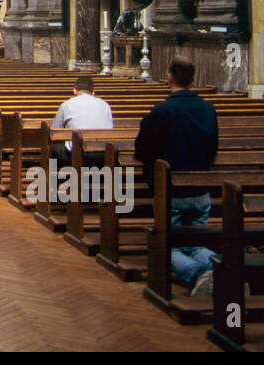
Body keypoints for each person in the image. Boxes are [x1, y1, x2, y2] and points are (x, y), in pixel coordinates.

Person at [134, 57, 220, 297]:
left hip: (169, 190)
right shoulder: (208, 109)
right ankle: (225, 272)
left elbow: (142, 151)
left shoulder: (161, 111)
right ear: (193, 79)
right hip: (200, 189)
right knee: (196, 243)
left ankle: (197, 275)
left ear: (169, 77)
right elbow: (213, 148)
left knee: (165, 244)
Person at [51, 75, 113, 168]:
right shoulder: (105, 105)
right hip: (102, 152)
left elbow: (55, 131)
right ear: (92, 93)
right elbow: (110, 127)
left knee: (54, 146)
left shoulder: (67, 105)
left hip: (77, 153)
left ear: (74, 90)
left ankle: (57, 179)